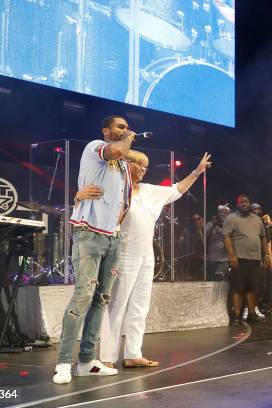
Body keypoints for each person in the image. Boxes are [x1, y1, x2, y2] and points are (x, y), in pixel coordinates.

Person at [93, 150, 211, 368]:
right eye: (137, 163)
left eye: (145, 166)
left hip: (147, 254)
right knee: (117, 305)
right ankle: (107, 358)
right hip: (123, 253)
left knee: (140, 305)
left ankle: (132, 354)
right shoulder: (114, 190)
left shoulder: (149, 191)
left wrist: (197, 172)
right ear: (124, 164)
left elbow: (178, 189)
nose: (142, 168)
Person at [53, 115, 136, 384]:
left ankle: (87, 360)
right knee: (83, 295)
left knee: (101, 299)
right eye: (120, 127)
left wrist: (117, 229)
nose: (125, 131)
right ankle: (64, 362)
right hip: (89, 234)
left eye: (126, 128)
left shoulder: (122, 165)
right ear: (106, 130)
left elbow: (127, 193)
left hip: (113, 237)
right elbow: (117, 150)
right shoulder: (95, 147)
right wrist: (129, 139)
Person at [224, 195, 269, 325]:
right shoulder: (231, 218)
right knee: (238, 288)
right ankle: (236, 316)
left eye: (246, 202)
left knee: (252, 288)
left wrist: (266, 254)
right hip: (239, 259)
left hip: (254, 259)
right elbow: (226, 237)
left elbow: (263, 237)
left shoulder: (257, 219)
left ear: (250, 204)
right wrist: (232, 256)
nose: (244, 204)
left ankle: (251, 314)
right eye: (241, 202)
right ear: (237, 204)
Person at [206, 205, 231, 281]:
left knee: (220, 284)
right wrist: (214, 225)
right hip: (210, 260)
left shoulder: (231, 225)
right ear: (217, 213)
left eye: (225, 213)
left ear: (228, 214)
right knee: (209, 284)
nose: (223, 214)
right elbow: (205, 236)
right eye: (221, 212)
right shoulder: (210, 224)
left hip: (223, 261)